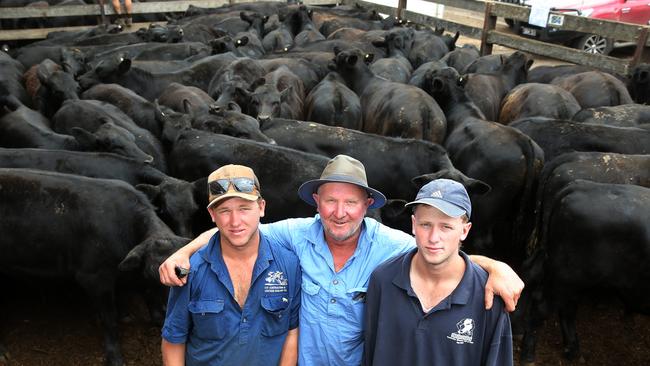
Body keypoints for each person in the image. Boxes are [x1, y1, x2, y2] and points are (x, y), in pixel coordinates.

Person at [159, 155, 524, 366]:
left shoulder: (391, 246)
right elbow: (237, 229)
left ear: (368, 206)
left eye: (351, 202)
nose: (339, 212)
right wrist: (186, 250)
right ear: (316, 202)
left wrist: (492, 266)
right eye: (330, 200)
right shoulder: (294, 234)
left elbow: (438, 251)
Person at [161, 165, 301, 366]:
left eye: (244, 208)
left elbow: (291, 332)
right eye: (225, 210)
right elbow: (174, 339)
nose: (235, 221)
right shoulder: (192, 270)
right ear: (212, 214)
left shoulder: (288, 264)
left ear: (261, 207)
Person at [363, 179, 512, 366]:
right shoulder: (383, 281)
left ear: (465, 231)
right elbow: (369, 353)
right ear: (413, 225)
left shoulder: (489, 297)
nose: (434, 238)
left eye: (446, 227)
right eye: (425, 225)